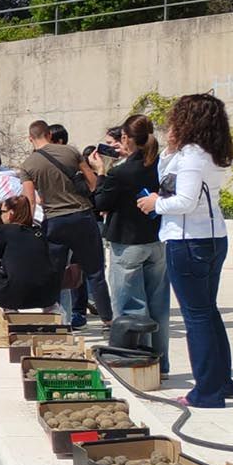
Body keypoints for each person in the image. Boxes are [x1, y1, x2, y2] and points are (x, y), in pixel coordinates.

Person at [136, 93, 233, 408]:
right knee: (207, 311)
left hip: (188, 240)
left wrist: (155, 204)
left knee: (197, 316)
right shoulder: (206, 152)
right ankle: (221, 382)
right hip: (210, 238)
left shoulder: (193, 155)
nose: (171, 122)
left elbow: (184, 201)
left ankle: (206, 392)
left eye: (177, 117)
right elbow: (167, 174)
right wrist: (169, 148)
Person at [93, 114, 170, 374]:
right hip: (156, 241)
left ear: (125, 138)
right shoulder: (161, 165)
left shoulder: (120, 172)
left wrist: (101, 173)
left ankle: (138, 363)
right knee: (158, 306)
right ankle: (161, 365)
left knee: (130, 307)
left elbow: (100, 204)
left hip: (127, 244)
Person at [18, 119, 113, 327]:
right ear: (49, 135)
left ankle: (55, 322)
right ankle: (108, 321)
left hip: (54, 221)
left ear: (30, 138)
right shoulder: (71, 152)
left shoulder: (27, 165)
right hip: (82, 216)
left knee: (54, 275)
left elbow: (30, 201)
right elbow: (93, 183)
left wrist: (26, 227)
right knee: (95, 273)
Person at [0, 196, 62, 310]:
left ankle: (9, 308)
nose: (0, 215)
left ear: (10, 213)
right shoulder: (39, 232)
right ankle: (51, 308)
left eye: (2, 212)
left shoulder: (5, 230)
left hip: (14, 296)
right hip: (47, 297)